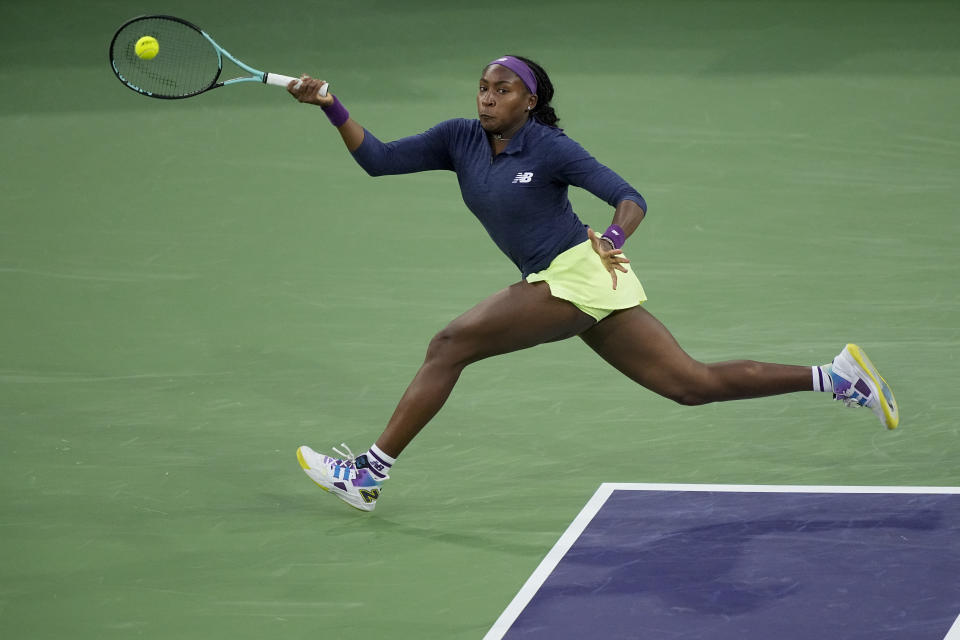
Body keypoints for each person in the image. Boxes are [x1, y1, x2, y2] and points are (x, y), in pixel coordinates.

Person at [286, 56, 899, 512]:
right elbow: (380, 159)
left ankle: (369, 472)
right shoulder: (459, 138)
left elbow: (630, 197)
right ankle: (836, 377)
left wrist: (614, 237)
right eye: (483, 87)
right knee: (691, 385)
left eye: (503, 90)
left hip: (578, 275)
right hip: (570, 283)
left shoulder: (551, 148)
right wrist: (331, 105)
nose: (488, 97)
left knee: (451, 344)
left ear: (530, 101)